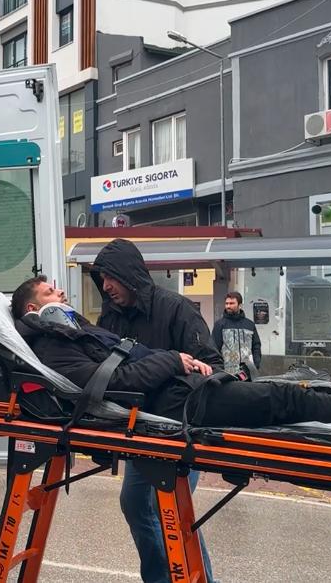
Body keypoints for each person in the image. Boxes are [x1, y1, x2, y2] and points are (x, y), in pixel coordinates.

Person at [9, 277, 331, 430]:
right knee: (289, 399)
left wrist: (186, 359)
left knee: (299, 390)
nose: (61, 292)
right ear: (34, 309)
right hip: (178, 403)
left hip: (184, 388)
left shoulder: (77, 331)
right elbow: (113, 382)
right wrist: (174, 360)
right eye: (50, 292)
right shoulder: (53, 346)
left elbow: (132, 358)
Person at [90, 238, 223, 583]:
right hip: (139, 430)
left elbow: (211, 366)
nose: (105, 286)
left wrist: (175, 381)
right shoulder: (111, 316)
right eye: (101, 279)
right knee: (137, 505)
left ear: (129, 274)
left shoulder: (176, 309)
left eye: (110, 278)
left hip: (177, 429)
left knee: (171, 512)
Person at [211, 291, 262, 380]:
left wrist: (255, 364)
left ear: (239, 305)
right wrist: (218, 370)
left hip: (248, 373)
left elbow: (256, 345)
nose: (228, 306)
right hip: (227, 374)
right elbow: (214, 349)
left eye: (231, 303)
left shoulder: (250, 325)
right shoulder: (220, 325)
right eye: (226, 303)